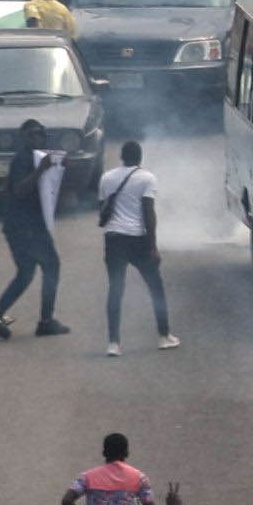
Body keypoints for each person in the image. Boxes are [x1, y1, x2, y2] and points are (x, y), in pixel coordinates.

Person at [0, 124, 70, 337]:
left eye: (42, 134)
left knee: (25, 273)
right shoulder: (23, 160)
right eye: (34, 134)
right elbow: (20, 189)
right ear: (24, 137)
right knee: (51, 266)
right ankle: (45, 321)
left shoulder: (34, 158)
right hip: (27, 228)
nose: (39, 138)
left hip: (23, 226)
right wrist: (42, 169)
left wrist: (58, 167)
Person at [98, 136, 174, 353]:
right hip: (138, 239)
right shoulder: (147, 178)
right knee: (155, 287)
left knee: (115, 290)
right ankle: (163, 336)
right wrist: (153, 246)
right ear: (140, 158)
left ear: (121, 157)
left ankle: (113, 343)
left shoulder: (107, 178)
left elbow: (102, 209)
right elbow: (149, 213)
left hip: (113, 238)